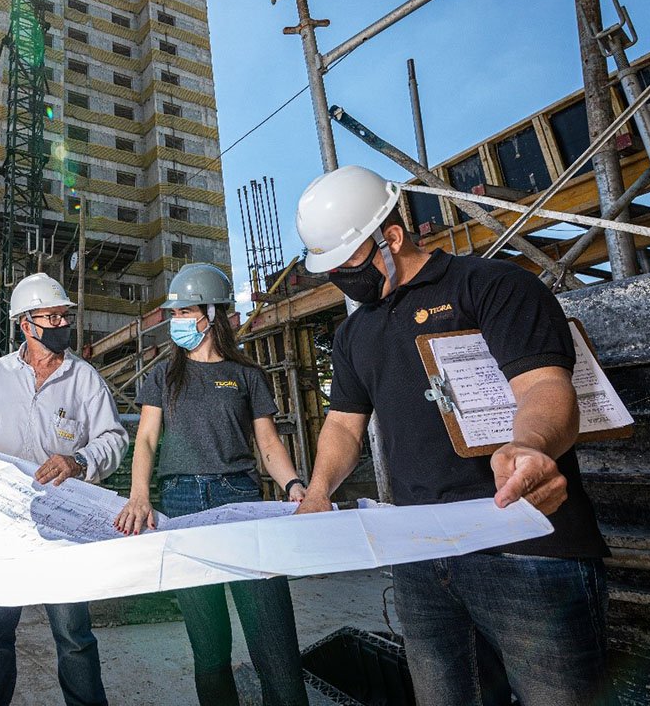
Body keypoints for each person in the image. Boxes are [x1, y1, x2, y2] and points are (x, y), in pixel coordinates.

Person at [294, 165, 610, 706]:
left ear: (390, 237)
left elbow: (545, 387)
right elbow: (345, 424)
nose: (342, 280)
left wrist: (531, 447)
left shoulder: (490, 286)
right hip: (420, 550)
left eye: (347, 264)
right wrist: (319, 492)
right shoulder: (354, 334)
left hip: (527, 546)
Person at [113, 263, 310, 706]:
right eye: (175, 313)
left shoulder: (246, 375)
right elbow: (145, 439)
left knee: (273, 639)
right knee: (209, 647)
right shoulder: (163, 376)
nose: (176, 321)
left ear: (211, 313)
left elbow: (268, 444)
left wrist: (296, 485)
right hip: (181, 505)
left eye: (184, 312)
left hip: (239, 499)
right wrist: (139, 495)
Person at [0, 272, 128, 706]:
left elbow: (113, 438)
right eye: (49, 316)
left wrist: (79, 461)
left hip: (61, 523)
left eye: (64, 315)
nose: (60, 323)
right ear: (25, 325)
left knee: (73, 635)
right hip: (3, 524)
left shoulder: (84, 378)